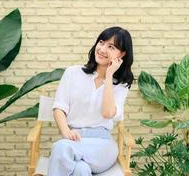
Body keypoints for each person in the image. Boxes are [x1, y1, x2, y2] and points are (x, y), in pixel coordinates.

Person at [47, 26, 134, 176]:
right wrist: (66, 131)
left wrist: (109, 76)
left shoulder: (120, 85)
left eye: (111, 47)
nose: (102, 49)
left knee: (60, 148)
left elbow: (108, 113)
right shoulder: (72, 73)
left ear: (122, 54)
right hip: (73, 139)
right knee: (81, 170)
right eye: (101, 42)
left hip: (103, 146)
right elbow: (59, 108)